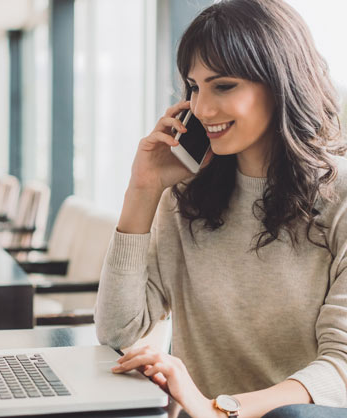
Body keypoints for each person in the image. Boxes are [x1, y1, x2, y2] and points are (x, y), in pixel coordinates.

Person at [94, 0, 347, 416]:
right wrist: (143, 188)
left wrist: (220, 408)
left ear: (280, 83)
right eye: (194, 88)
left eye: (223, 86)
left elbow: (340, 369)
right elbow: (118, 331)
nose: (202, 109)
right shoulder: (187, 196)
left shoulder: (339, 196)